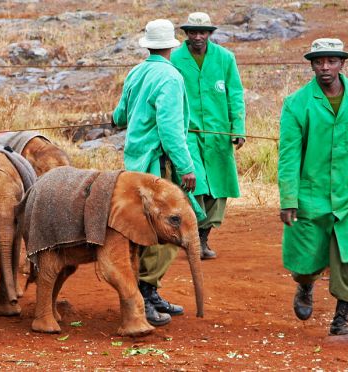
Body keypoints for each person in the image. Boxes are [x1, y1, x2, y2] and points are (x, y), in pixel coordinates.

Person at [278, 38, 348, 338]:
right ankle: (305, 285)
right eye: (319, 61)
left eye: (331, 61)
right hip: (310, 194)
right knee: (305, 261)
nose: (325, 67)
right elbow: (289, 156)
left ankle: (340, 321)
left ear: (343, 63)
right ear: (312, 65)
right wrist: (289, 198)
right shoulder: (296, 104)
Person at [112, 19, 197, 327]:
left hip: (131, 167)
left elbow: (119, 116)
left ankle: (148, 291)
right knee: (171, 228)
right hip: (156, 167)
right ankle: (145, 292)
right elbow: (171, 129)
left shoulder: (136, 73)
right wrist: (186, 167)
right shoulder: (171, 77)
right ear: (173, 46)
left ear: (147, 45)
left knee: (139, 230)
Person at [171, 12, 246, 260]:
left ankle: (203, 238)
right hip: (187, 132)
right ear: (186, 34)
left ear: (210, 34)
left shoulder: (225, 58)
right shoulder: (174, 58)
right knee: (196, 183)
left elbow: (235, 95)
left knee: (219, 187)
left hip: (219, 133)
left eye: (202, 32)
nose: (198, 36)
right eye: (193, 32)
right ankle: (191, 236)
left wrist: (238, 128)